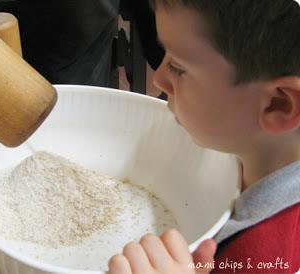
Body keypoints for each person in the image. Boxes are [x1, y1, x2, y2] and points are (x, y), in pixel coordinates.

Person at [107, 0, 300, 273]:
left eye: (177, 67)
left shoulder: (266, 257)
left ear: (278, 105)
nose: (158, 80)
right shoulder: (244, 140)